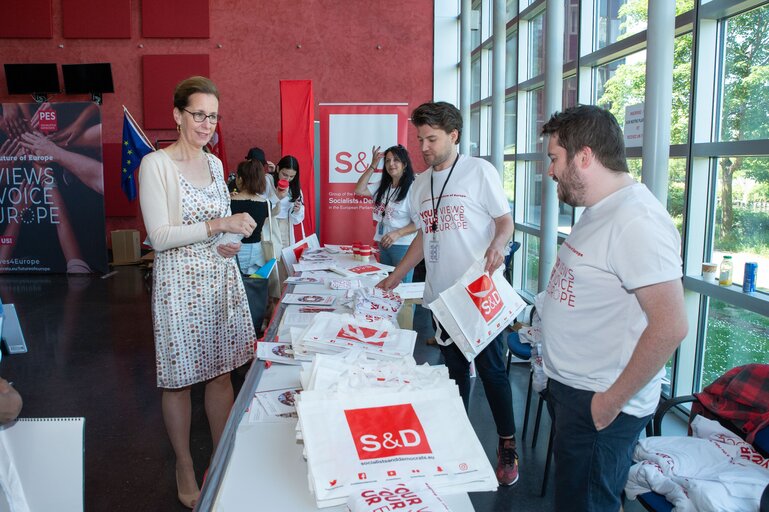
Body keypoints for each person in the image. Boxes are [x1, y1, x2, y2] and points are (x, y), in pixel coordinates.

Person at [538, 105, 688, 512]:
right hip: (576, 392)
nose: (549, 171)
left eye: (554, 158)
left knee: (585, 504)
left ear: (584, 157)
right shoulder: (600, 209)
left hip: (599, 403)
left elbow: (671, 326)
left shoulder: (637, 221)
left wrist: (608, 404)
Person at [377, 101, 518, 486]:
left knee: (491, 370)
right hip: (441, 294)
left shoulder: (478, 172)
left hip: (476, 290)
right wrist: (397, 275)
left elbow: (504, 221)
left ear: (453, 136)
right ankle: (458, 434)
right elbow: (425, 234)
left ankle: (507, 443)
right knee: (455, 371)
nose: (423, 146)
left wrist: (499, 245)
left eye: (431, 139)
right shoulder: (421, 184)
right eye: (420, 138)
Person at [138, 76, 257, 509]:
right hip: (178, 286)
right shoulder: (156, 165)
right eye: (198, 115)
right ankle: (185, 463)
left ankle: (223, 455)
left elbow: (217, 226)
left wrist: (229, 239)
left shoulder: (213, 165)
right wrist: (219, 225)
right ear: (177, 115)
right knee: (180, 381)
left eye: (213, 116)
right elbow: (160, 235)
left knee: (221, 372)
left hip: (218, 278)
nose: (207, 124)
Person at [354, 144, 418, 282]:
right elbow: (359, 190)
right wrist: (373, 165)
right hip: (383, 243)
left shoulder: (414, 187)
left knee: (402, 288)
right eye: (388, 161)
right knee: (386, 286)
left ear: (404, 164)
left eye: (396, 160)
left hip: (403, 246)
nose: (391, 164)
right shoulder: (384, 185)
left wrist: (397, 233)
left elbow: (420, 222)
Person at [229, 158, 273, 332]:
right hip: (257, 253)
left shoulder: (228, 202)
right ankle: (254, 326)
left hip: (233, 252)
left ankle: (235, 330)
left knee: (233, 296)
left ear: (240, 178)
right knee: (255, 293)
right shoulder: (265, 203)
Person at [271, 155, 305, 247]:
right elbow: (261, 206)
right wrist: (277, 197)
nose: (287, 179)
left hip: (285, 225)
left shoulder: (295, 189)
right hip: (269, 224)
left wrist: (297, 210)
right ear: (278, 169)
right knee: (269, 253)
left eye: (291, 176)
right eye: (285, 175)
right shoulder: (268, 183)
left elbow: (296, 220)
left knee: (283, 256)